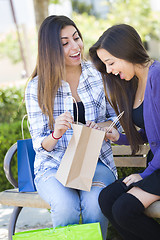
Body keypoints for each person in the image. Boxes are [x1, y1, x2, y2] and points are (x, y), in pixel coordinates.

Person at [25, 15, 121, 240]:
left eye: (76, 38)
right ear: (50, 49)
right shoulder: (37, 87)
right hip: (53, 167)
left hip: (95, 161)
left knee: (96, 205)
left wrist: (101, 128)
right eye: (65, 43)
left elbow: (115, 119)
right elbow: (41, 146)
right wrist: (55, 134)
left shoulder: (98, 75)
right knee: (66, 207)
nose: (75, 46)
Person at [89, 23, 160, 240]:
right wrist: (117, 137)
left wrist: (144, 174)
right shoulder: (135, 83)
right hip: (156, 164)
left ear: (126, 51)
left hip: (155, 168)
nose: (109, 70)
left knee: (124, 209)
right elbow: (153, 135)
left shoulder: (157, 77)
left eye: (110, 63)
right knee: (106, 199)